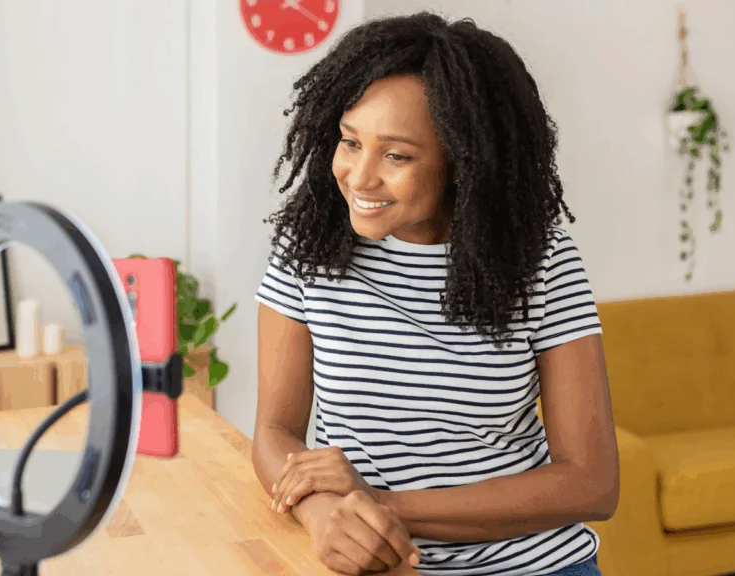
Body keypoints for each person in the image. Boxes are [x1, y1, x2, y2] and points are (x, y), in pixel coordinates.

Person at [251, 12, 619, 576]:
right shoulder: (309, 249)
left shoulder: (540, 260)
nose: (360, 177)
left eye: (396, 155)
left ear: (462, 162)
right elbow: (274, 433)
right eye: (350, 142)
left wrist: (378, 504)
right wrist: (323, 515)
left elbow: (592, 484)